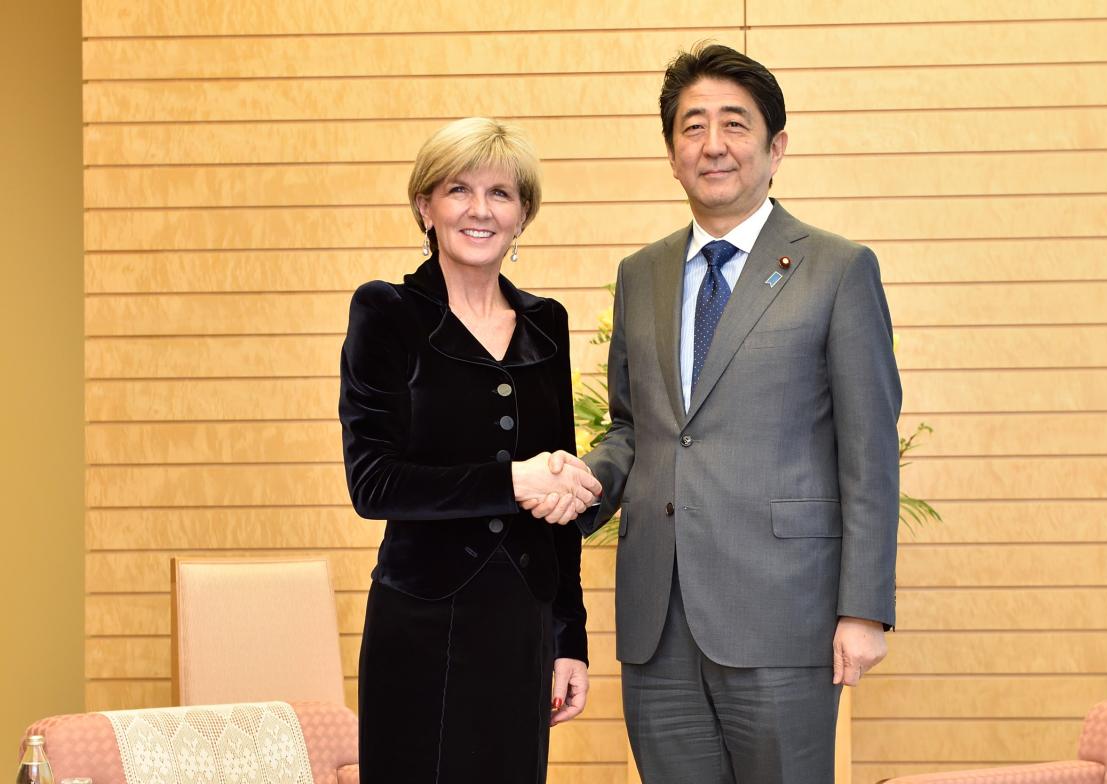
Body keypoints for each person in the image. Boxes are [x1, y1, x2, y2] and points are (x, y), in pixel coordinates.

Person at [528, 44, 902, 782]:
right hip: (657, 619)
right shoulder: (643, 273)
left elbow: (869, 448)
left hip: (784, 614)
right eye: (692, 127)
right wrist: (584, 482)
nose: (713, 144)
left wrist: (864, 609)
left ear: (775, 147)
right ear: (671, 154)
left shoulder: (838, 267)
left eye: (735, 124)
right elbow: (638, 426)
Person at [339, 116, 601, 783]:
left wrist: (569, 638)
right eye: (458, 190)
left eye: (501, 194)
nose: (479, 210)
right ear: (425, 206)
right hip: (423, 620)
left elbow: (560, 497)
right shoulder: (386, 313)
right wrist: (512, 480)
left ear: (523, 215)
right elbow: (375, 484)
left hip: (522, 622)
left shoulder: (547, 324)